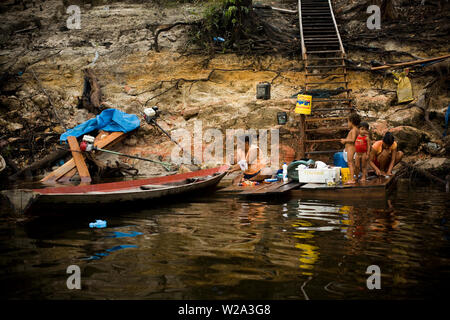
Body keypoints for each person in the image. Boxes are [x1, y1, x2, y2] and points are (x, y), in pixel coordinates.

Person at [340, 113, 361, 184]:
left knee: (350, 163)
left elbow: (353, 140)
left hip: (351, 148)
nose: (348, 124)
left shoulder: (354, 130)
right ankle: (356, 177)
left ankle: (352, 179)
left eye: (348, 122)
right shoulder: (356, 130)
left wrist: (345, 140)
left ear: (351, 122)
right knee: (353, 164)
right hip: (350, 148)